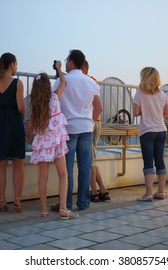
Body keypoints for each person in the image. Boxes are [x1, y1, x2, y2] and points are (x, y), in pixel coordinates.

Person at [51, 49, 102, 211]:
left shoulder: (62, 81)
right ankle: (83, 202)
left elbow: (53, 102)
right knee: (85, 167)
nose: (65, 63)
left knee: (67, 169)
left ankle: (66, 204)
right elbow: (99, 107)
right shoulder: (91, 83)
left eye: (67, 60)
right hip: (86, 128)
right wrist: (89, 121)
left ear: (72, 62)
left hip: (68, 129)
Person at [27, 62, 78, 220]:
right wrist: (59, 69)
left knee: (43, 176)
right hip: (56, 142)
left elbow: (30, 127)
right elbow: (64, 82)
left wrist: (31, 139)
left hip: (43, 143)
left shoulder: (35, 106)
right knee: (63, 174)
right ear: (48, 86)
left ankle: (43, 211)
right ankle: (63, 209)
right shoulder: (55, 97)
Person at [0, 52, 25, 213]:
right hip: (14, 122)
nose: (17, 67)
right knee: (18, 163)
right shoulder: (18, 83)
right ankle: (17, 201)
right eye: (16, 64)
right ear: (12, 64)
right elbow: (21, 107)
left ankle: (2, 202)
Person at [132, 67, 168, 201]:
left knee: (148, 162)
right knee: (160, 160)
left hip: (147, 131)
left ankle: (148, 194)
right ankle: (161, 192)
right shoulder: (162, 94)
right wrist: (156, 114)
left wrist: (146, 112)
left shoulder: (139, 94)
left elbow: (136, 113)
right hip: (161, 130)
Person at [81, 60, 110, 202]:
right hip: (96, 122)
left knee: (90, 161)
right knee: (92, 158)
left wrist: (89, 122)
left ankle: (94, 192)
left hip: (91, 123)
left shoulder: (87, 81)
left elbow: (97, 107)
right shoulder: (93, 81)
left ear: (85, 68)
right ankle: (103, 190)